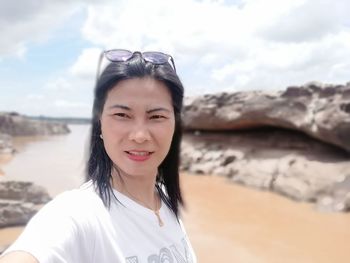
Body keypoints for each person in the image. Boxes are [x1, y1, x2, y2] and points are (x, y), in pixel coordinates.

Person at [0, 49, 197, 262]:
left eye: (156, 116)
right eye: (122, 115)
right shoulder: (76, 214)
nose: (139, 136)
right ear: (100, 123)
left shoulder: (165, 200)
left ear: (175, 124)